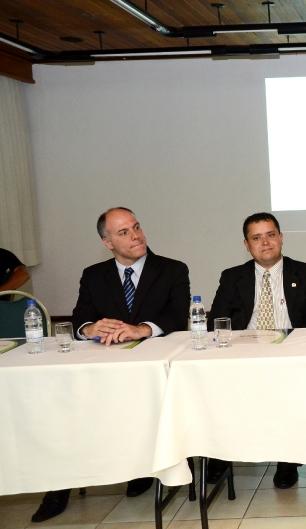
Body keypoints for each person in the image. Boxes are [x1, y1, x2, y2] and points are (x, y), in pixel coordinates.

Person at [31, 207, 191, 523]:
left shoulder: (172, 269)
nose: (136, 236)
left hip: (149, 372)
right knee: (65, 407)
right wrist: (89, 328)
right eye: (124, 232)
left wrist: (142, 329)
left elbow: (176, 315)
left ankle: (142, 470)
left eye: (137, 227)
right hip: (104, 369)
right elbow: (80, 317)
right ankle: (60, 484)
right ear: (108, 243)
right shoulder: (94, 275)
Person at [207, 212, 306, 488]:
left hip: (291, 353)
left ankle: (287, 459)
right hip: (244, 354)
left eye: (271, 235)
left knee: (289, 385)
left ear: (281, 238)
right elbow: (218, 322)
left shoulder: (304, 272)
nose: (265, 242)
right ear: (246, 244)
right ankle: (222, 454)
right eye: (256, 238)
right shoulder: (232, 277)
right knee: (221, 386)